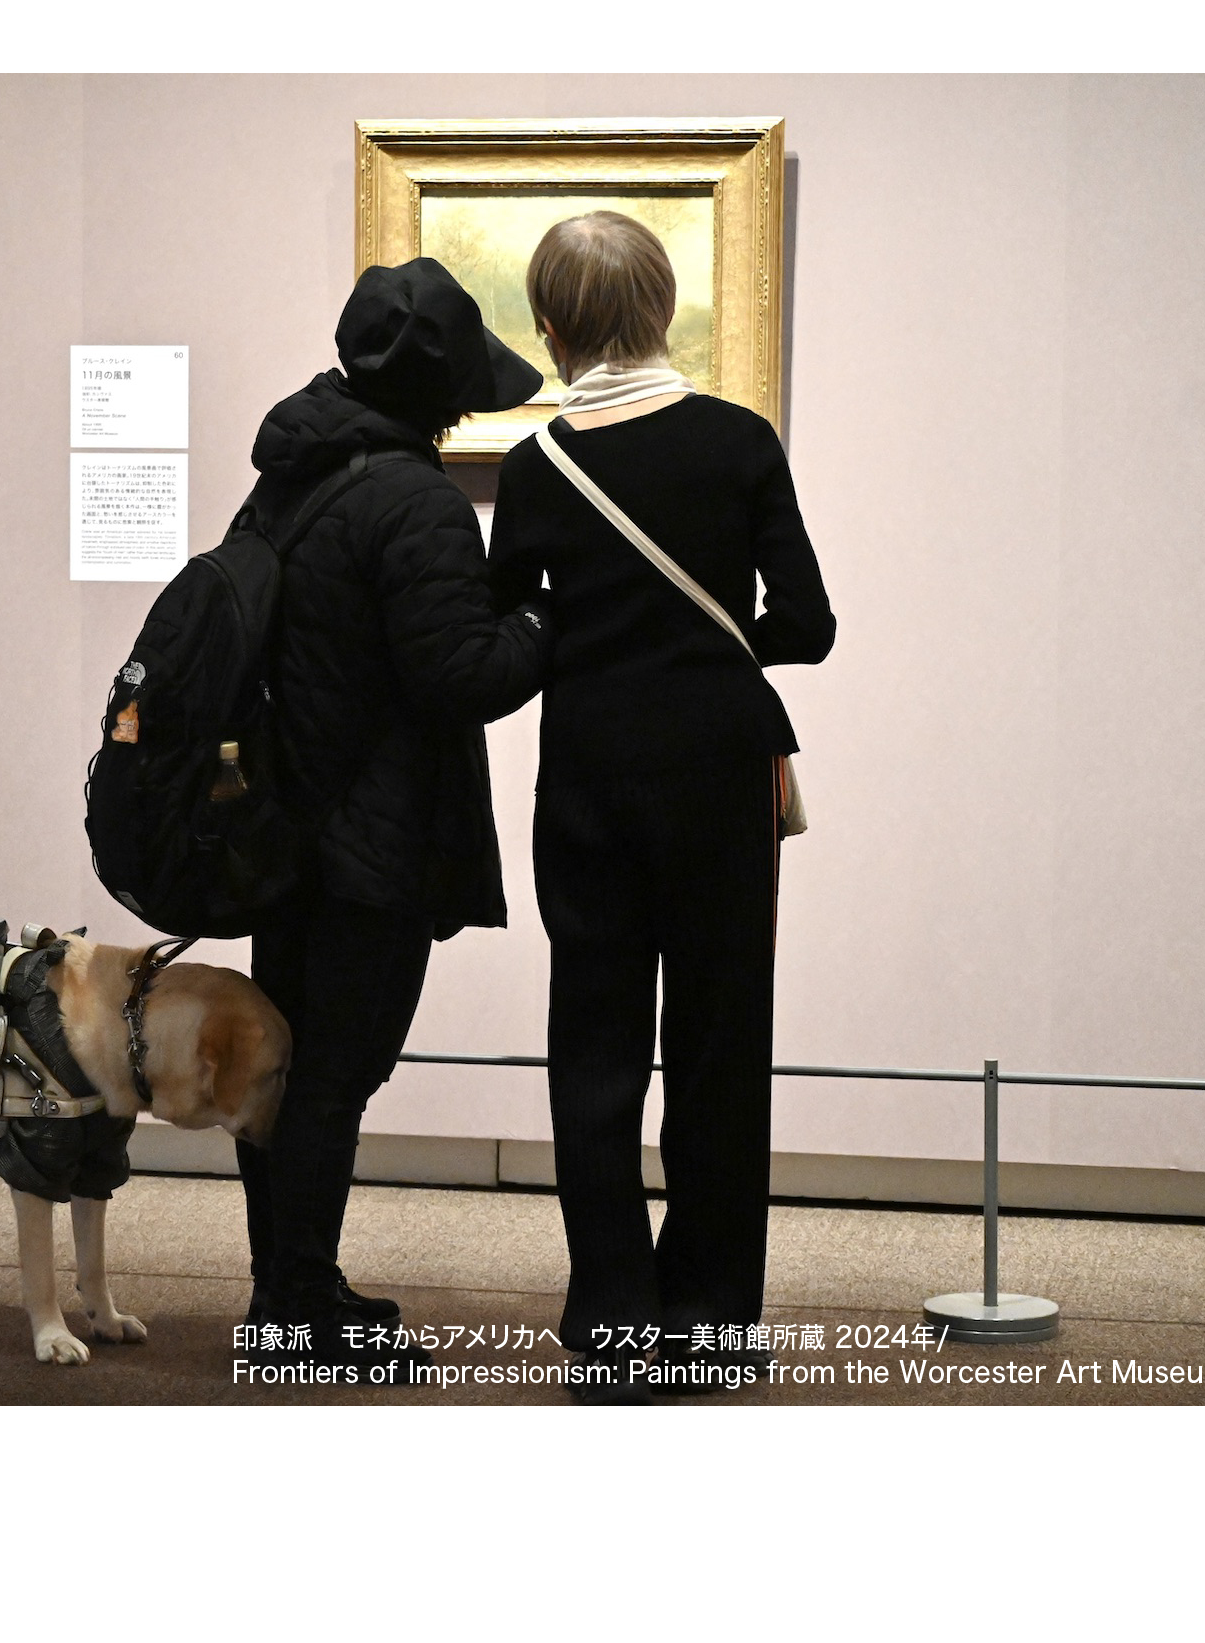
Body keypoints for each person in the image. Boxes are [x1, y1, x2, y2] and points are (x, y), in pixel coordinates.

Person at [487, 211, 835, 1400]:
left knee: (594, 1051)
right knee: (722, 1048)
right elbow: (810, 625)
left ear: (549, 327)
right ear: (664, 306)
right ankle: (711, 1317)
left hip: (588, 776)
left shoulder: (537, 467)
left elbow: (508, 630)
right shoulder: (740, 441)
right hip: (719, 772)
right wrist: (724, 644)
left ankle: (615, 1320)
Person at [238, 256, 552, 1368]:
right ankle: (298, 1319)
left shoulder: (291, 472)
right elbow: (457, 677)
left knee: (284, 1069)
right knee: (334, 1075)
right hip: (370, 842)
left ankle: (287, 1289)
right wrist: (545, 623)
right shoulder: (415, 497)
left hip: (283, 827)